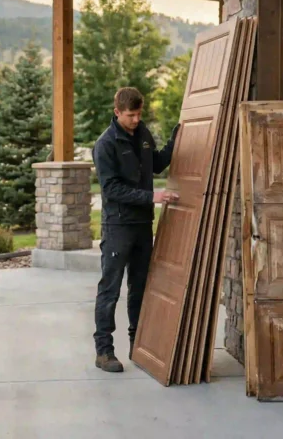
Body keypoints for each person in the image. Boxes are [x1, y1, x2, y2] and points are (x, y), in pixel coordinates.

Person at [91, 87, 180, 373]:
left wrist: (178, 138)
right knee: (110, 289)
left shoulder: (142, 134)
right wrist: (152, 197)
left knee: (140, 288)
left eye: (139, 114)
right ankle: (104, 351)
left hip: (143, 225)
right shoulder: (105, 145)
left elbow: (157, 164)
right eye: (131, 115)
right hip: (118, 225)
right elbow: (111, 189)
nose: (136, 120)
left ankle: (137, 346)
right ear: (117, 112)